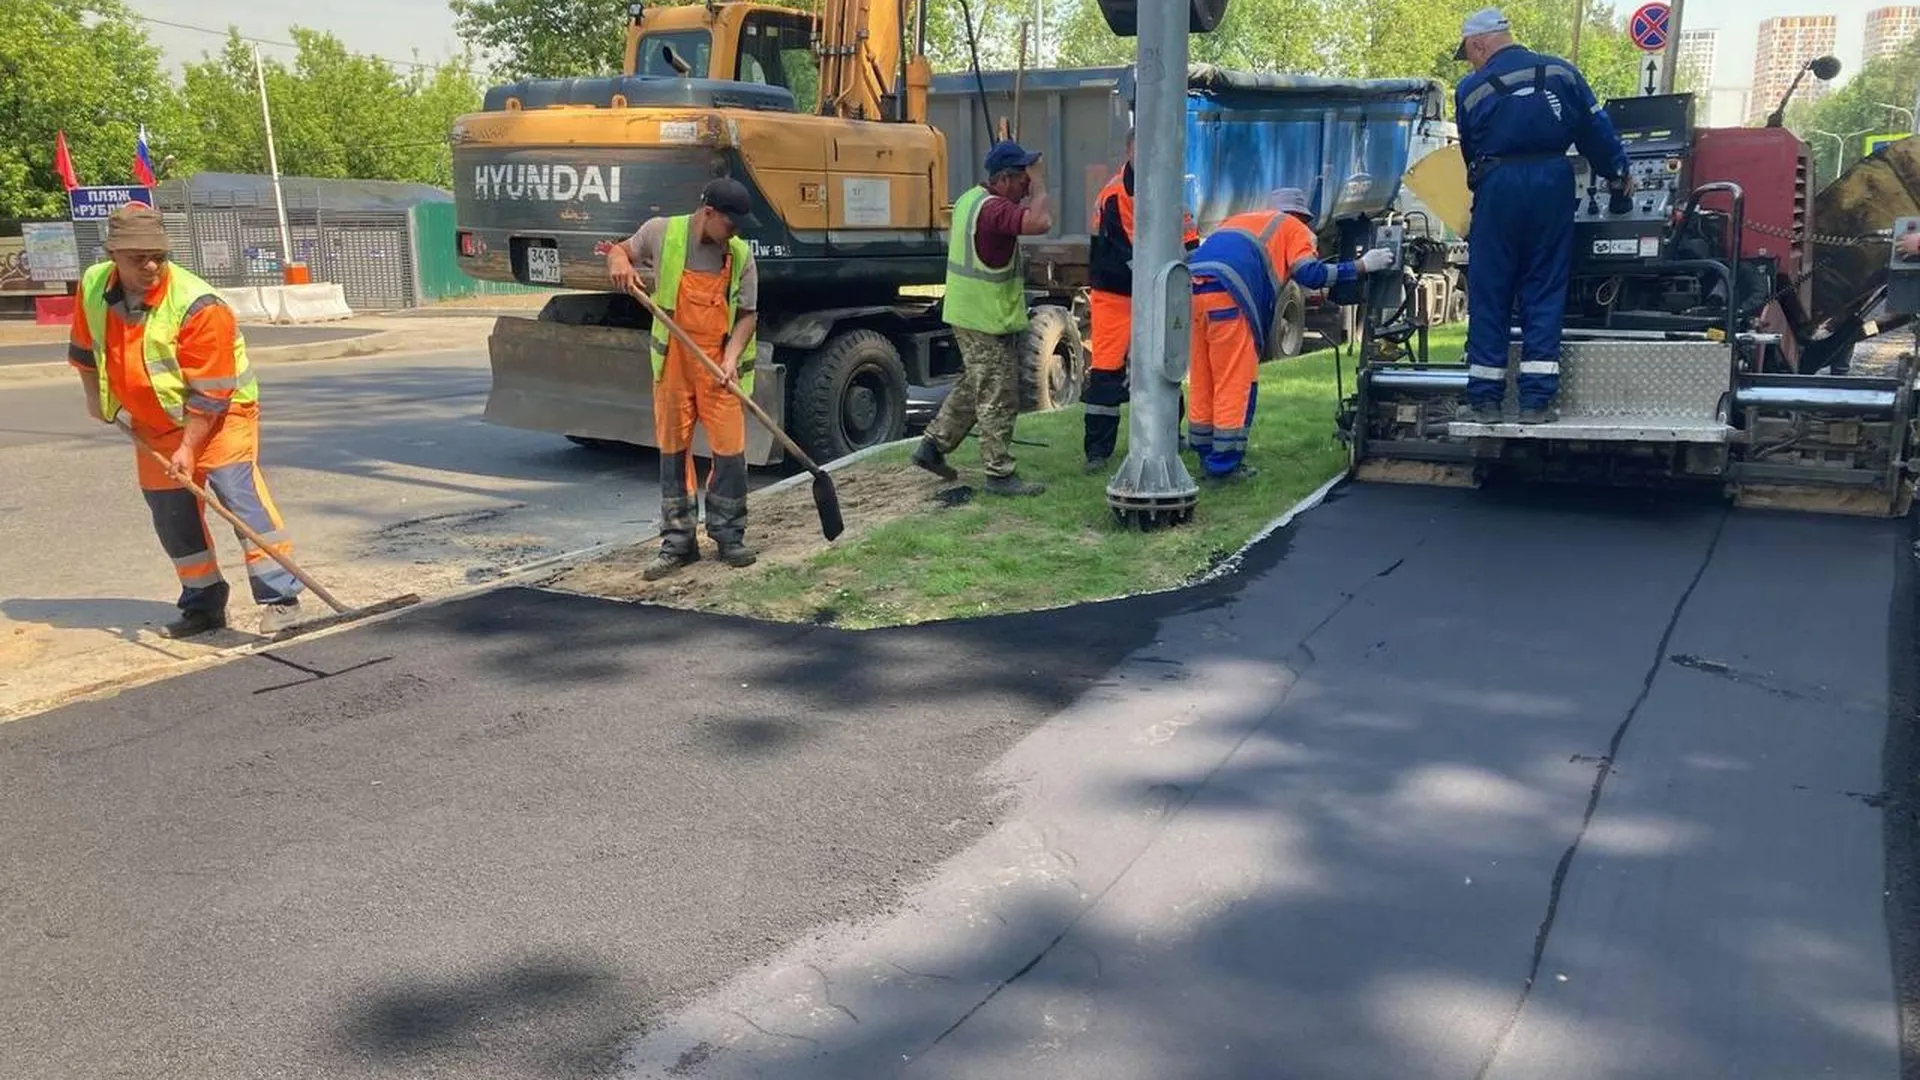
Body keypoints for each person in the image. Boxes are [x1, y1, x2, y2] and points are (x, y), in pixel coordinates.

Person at [68, 204, 304, 639]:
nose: (152, 265)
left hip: (221, 416)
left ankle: (281, 600)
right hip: (152, 424)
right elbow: (85, 350)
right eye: (138, 257)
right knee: (172, 514)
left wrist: (190, 447)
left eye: (158, 254)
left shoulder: (198, 305)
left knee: (240, 501)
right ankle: (203, 605)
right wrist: (92, 397)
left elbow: (212, 392)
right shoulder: (94, 285)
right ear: (113, 255)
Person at [1454, 6, 1630, 424]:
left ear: (1479, 43)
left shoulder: (1471, 89)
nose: (1471, 60)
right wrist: (1618, 173)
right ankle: (1535, 402)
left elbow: (1469, 151)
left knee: (1489, 288)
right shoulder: (1562, 73)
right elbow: (1596, 131)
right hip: (1553, 182)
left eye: (1469, 52)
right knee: (1544, 286)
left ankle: (1485, 401)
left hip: (1497, 185)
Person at [607, 177, 762, 580]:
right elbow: (621, 251)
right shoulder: (662, 233)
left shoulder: (741, 255)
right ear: (709, 214)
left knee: (729, 453)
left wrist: (730, 359)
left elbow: (748, 315)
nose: (736, 233)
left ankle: (729, 535)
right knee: (674, 454)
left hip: (718, 369)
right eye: (731, 224)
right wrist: (619, 262)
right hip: (674, 364)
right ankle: (678, 542)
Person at [1185, 189, 1393, 479]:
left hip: (1191, 288)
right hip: (1230, 295)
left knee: (1204, 376)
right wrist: (1362, 266)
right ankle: (1224, 465)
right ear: (1302, 217)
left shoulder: (1243, 220)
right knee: (1234, 380)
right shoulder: (1294, 228)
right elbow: (1310, 275)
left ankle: (1204, 451)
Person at [911, 140, 1052, 496]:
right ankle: (999, 474)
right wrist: (1042, 185)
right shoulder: (995, 211)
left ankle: (933, 446)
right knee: (999, 393)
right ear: (1004, 179)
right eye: (1022, 179)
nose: (1026, 186)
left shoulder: (970, 200)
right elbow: (1041, 222)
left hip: (967, 311)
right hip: (985, 316)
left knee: (976, 383)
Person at [1083, 129, 1201, 472]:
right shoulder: (1115, 195)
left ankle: (1169, 433)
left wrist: (1185, 277)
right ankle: (1097, 452)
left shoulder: (1170, 193)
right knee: (1107, 369)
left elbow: (1190, 242)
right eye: (1141, 150)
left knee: (1166, 361)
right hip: (1115, 294)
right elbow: (1126, 253)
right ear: (1129, 152)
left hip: (1156, 289)